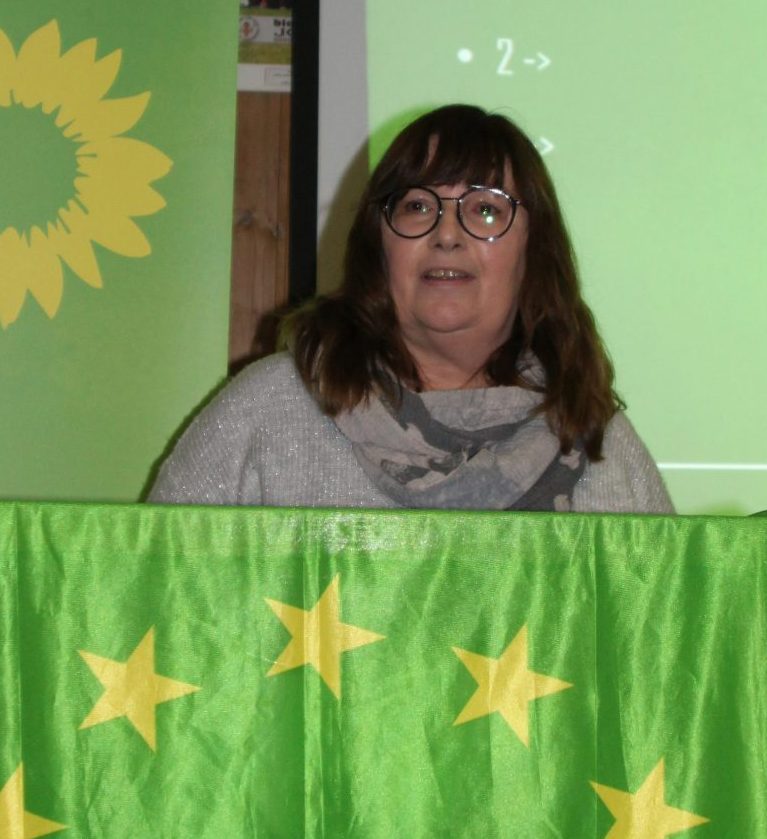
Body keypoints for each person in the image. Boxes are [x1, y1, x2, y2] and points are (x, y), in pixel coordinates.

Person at [149, 104, 673, 513]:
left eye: (485, 209)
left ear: (533, 252)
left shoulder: (596, 441)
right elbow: (155, 588)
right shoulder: (269, 409)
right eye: (418, 206)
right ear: (379, 246)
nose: (447, 234)